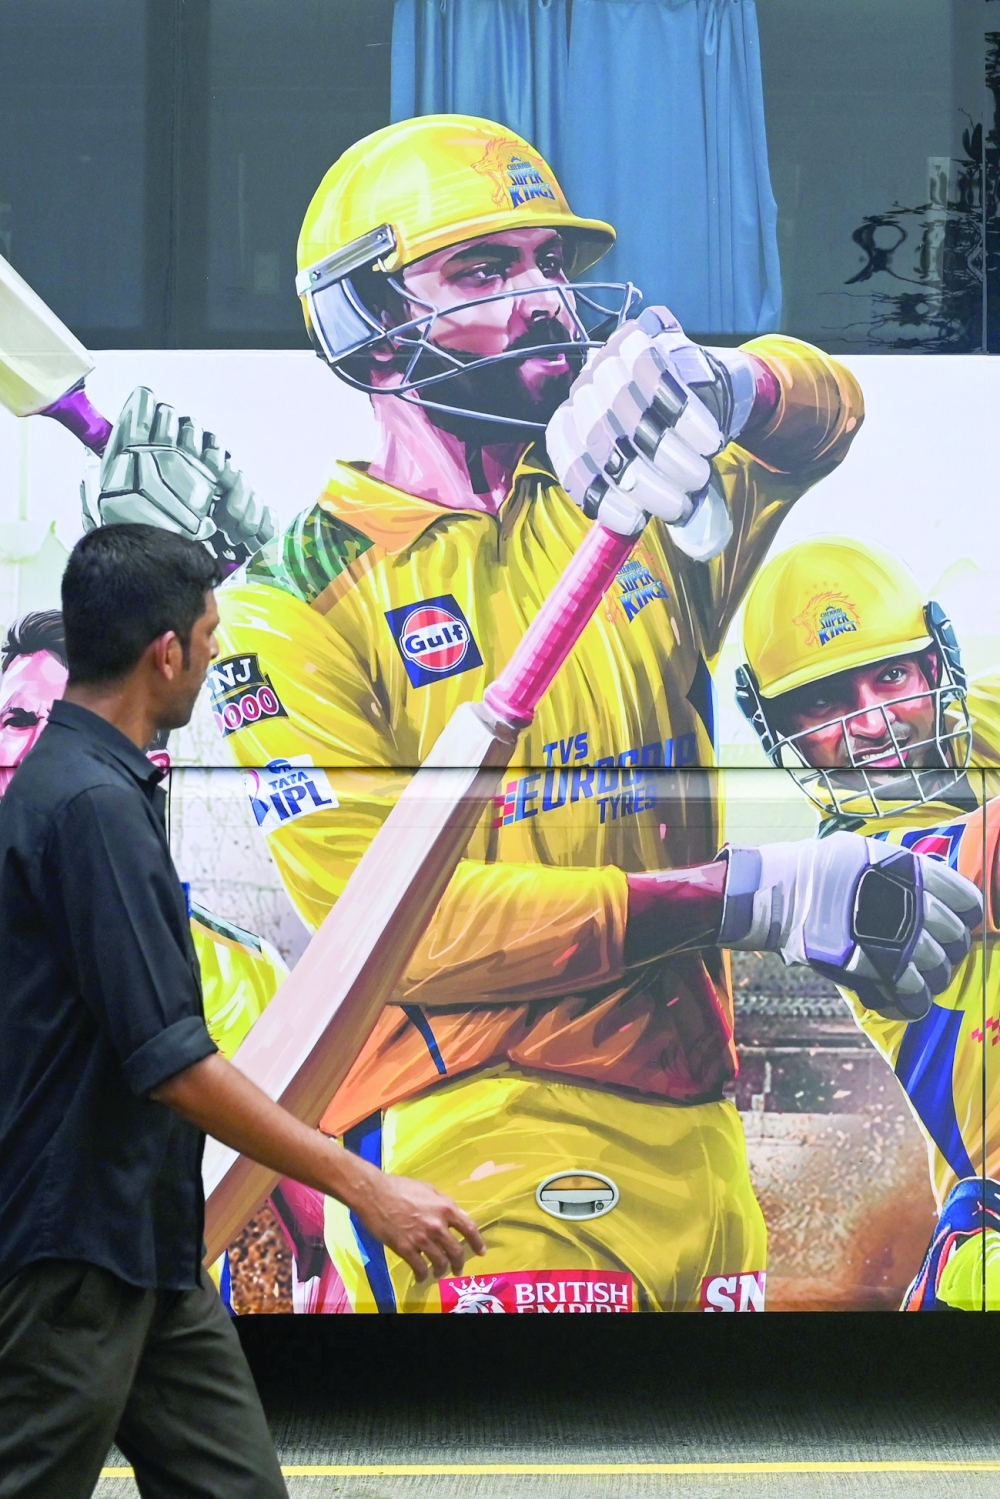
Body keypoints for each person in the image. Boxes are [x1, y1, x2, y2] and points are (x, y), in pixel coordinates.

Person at [86, 115, 979, 1316]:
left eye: (552, 265)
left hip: (695, 1115)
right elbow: (404, 927)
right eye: (484, 270)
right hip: (481, 1125)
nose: (547, 299)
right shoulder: (292, 604)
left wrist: (723, 381)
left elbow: (827, 413)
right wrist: (749, 894)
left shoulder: (632, 489)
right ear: (363, 319)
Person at [0, 524, 485, 1498]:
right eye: (211, 635)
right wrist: (365, 1184)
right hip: (75, 1257)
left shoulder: (99, 783)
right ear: (164, 652)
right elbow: (172, 1059)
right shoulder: (89, 806)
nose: (220, 654)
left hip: (146, 1245)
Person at [0, 608, 344, 1314]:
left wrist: (367, 1193)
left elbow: (320, 1230)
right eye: (13, 721)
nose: (29, 752)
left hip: (116, 1286)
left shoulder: (228, 974)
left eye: (59, 729)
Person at [737, 535, 1000, 1309]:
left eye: (890, 677)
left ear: (934, 667)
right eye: (823, 702)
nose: (873, 723)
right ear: (780, 726)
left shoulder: (974, 724)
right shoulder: (856, 872)